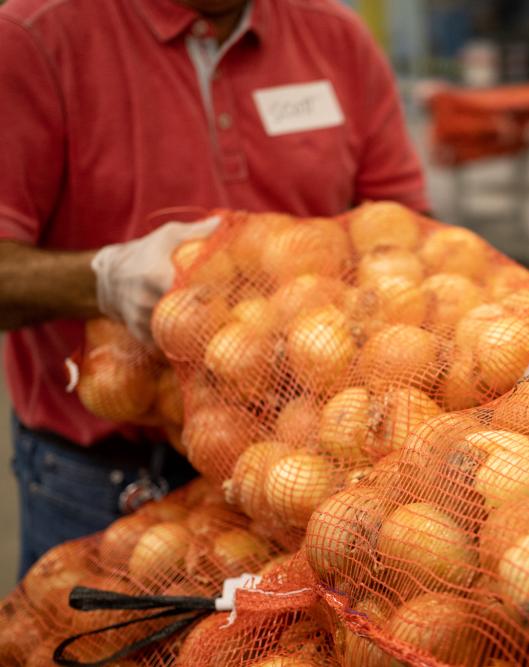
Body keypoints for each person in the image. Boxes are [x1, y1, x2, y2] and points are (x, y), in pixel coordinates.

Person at [0, 0, 428, 576]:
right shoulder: (32, 38)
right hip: (110, 484)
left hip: (314, 476)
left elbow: (408, 234)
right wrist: (102, 280)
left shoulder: (335, 35)